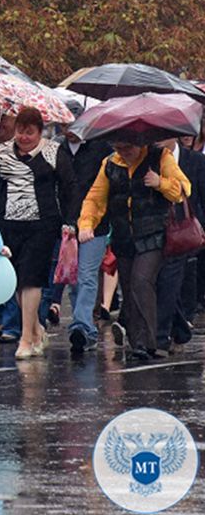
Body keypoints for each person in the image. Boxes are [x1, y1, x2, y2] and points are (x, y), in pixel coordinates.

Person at [77, 138, 189, 363]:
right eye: (118, 147)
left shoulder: (160, 157)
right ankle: (138, 343)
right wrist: (86, 224)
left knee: (141, 280)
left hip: (153, 234)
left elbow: (183, 189)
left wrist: (160, 183)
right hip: (124, 237)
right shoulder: (109, 164)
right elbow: (95, 199)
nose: (123, 152)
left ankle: (150, 341)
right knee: (128, 287)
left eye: (127, 146)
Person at [0, 107, 73, 359]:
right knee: (16, 281)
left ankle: (26, 338)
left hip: (42, 224)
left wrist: (71, 222)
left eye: (30, 133)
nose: (24, 137)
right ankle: (36, 328)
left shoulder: (53, 151)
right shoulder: (2, 152)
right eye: (20, 131)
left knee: (31, 277)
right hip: (9, 223)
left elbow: (69, 188)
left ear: (40, 132)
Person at [59, 133, 114, 356]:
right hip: (66, 223)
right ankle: (85, 327)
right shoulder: (58, 149)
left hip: (95, 224)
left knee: (87, 275)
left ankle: (81, 326)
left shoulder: (100, 147)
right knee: (72, 279)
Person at [153, 135, 205, 355]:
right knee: (161, 281)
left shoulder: (195, 161)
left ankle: (161, 335)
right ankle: (180, 329)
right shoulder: (150, 160)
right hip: (156, 229)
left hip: (185, 231)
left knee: (172, 280)